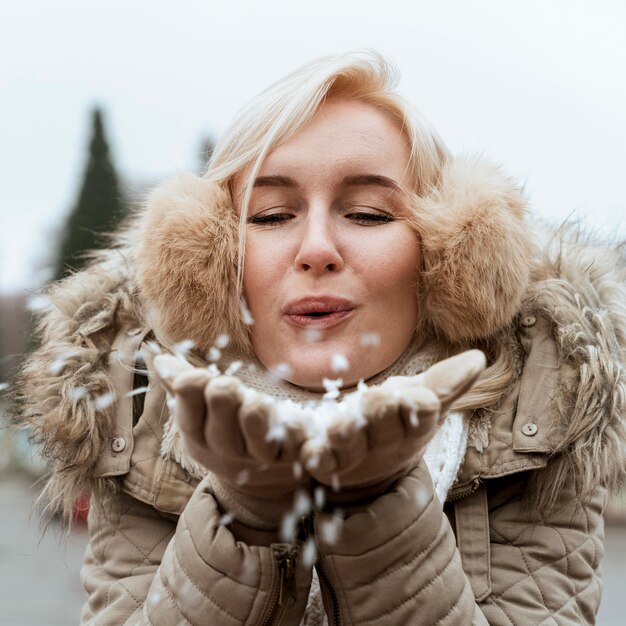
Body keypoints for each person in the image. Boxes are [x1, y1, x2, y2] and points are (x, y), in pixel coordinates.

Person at [13, 51, 625, 625]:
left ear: (449, 258)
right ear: (210, 260)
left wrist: (378, 506)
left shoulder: (540, 422)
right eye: (274, 216)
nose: (316, 250)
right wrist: (243, 514)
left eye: (367, 214)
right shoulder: (138, 415)